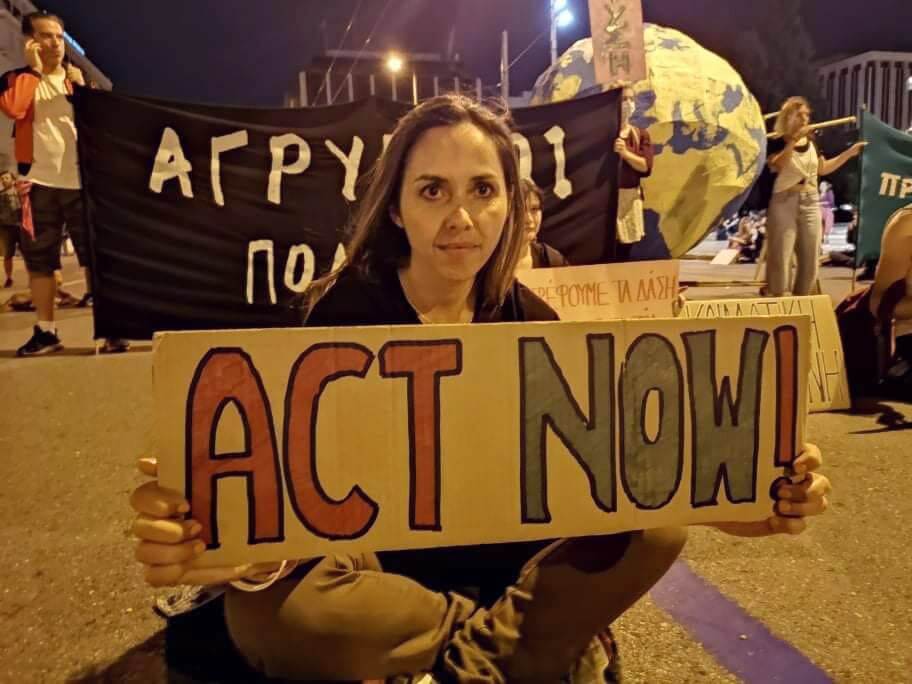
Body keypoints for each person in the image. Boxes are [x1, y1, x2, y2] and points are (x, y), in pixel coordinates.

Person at [130, 95, 831, 683]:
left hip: (505, 560)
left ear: (511, 208)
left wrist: (755, 497)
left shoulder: (531, 317)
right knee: (271, 613)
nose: (460, 218)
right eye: (433, 190)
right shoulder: (341, 316)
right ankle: (530, 650)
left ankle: (471, 664)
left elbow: (622, 476)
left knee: (658, 528)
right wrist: (210, 528)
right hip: (385, 576)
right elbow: (286, 512)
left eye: (482, 190)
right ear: (398, 209)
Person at [0, 11, 128, 355]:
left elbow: (102, 122)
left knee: (94, 258)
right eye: (46, 36)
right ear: (30, 42)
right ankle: (46, 332)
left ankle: (109, 330)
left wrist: (84, 91)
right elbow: (13, 109)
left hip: (81, 182)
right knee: (41, 262)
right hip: (36, 184)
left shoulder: (76, 82)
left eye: (58, 36)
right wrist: (35, 72)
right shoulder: (16, 79)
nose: (55, 43)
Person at [765, 97, 866, 296]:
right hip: (784, 200)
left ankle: (802, 301)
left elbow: (823, 168)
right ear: (788, 117)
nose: (805, 119)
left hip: (811, 200)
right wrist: (793, 140)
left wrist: (849, 153)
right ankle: (776, 300)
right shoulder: (776, 140)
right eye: (799, 114)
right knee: (781, 256)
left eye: (807, 115)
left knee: (810, 258)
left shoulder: (812, 141)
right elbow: (778, 165)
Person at [614, 86, 654, 262]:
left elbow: (645, 166)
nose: (628, 104)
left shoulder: (640, 135)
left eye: (631, 99)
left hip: (629, 199)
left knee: (625, 249)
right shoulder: (604, 133)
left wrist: (625, 153)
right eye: (624, 99)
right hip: (607, 201)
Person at [516, 178, 567, 270]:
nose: (529, 219)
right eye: (520, 210)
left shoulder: (551, 259)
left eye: (534, 209)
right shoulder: (487, 258)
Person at [0, 170, 21, 288]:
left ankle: (33, 277)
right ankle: (9, 278)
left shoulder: (20, 192)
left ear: (13, 179)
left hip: (21, 226)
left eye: (6, 178)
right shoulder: (0, 195)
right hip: (6, 228)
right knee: (8, 255)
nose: (4, 180)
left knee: (28, 253)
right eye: (2, 179)